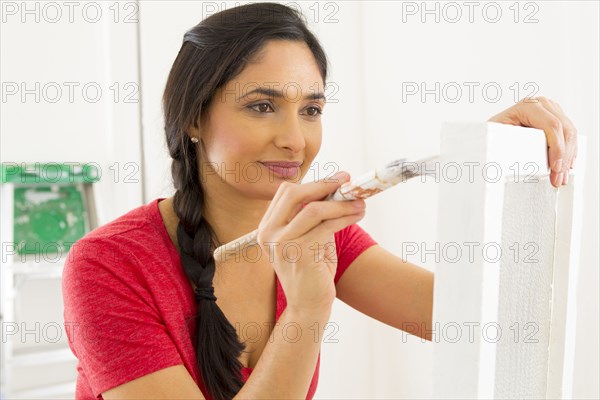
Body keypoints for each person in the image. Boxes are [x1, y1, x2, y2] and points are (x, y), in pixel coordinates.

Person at [62, 2, 578, 400]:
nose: (295, 139)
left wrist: (485, 164)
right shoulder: (108, 265)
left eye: (311, 109)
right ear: (193, 118)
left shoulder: (319, 230)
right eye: (262, 106)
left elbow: (478, 319)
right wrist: (308, 307)